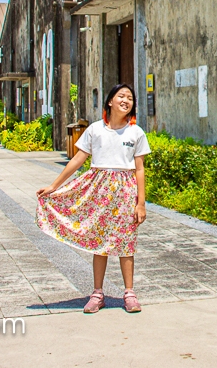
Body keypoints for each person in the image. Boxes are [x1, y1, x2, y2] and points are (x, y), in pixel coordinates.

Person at [36, 83, 150, 314]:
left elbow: (139, 169)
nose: (126, 100)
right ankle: (97, 293)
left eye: (130, 98)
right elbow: (78, 160)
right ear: (110, 101)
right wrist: (54, 186)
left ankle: (129, 293)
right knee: (100, 242)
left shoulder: (136, 132)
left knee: (126, 243)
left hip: (125, 192)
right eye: (121, 96)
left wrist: (140, 203)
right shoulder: (96, 130)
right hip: (98, 190)